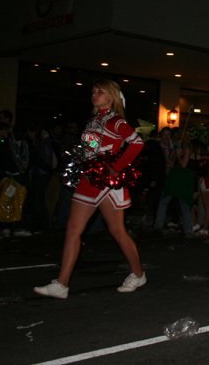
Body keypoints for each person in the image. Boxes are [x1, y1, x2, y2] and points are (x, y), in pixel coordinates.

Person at [34, 80, 146, 299]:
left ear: (112, 96)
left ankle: (138, 274)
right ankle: (62, 284)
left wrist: (116, 167)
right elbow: (91, 149)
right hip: (88, 179)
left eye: (100, 91)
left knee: (117, 231)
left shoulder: (115, 120)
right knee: (72, 230)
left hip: (106, 182)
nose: (94, 95)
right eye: (93, 92)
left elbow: (137, 143)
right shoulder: (94, 119)